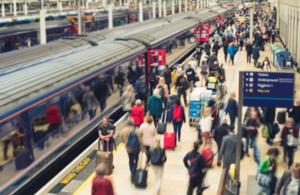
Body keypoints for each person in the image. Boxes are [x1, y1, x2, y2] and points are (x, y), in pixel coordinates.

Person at [120, 118, 143, 183]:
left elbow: (121, 140)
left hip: (129, 149)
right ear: (133, 123)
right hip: (137, 149)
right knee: (136, 160)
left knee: (130, 160)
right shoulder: (137, 129)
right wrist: (142, 147)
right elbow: (140, 140)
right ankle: (133, 173)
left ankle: (132, 172)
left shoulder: (123, 130)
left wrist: (126, 142)